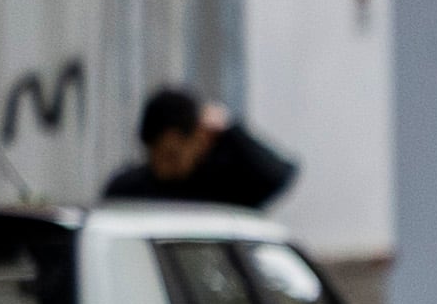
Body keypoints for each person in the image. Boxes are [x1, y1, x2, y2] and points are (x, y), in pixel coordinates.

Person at [103, 87, 295, 211]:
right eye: (156, 155)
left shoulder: (222, 184)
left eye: (173, 155)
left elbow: (278, 176)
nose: (163, 167)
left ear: (198, 140)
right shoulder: (129, 190)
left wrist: (230, 129)